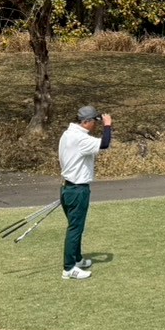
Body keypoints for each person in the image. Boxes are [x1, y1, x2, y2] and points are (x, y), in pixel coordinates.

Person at [58, 105, 111, 280]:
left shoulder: (67, 134)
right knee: (75, 228)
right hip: (77, 190)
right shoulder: (80, 138)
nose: (96, 125)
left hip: (68, 188)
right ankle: (69, 268)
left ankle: (77, 259)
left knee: (76, 226)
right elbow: (105, 143)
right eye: (95, 121)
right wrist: (108, 125)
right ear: (86, 122)